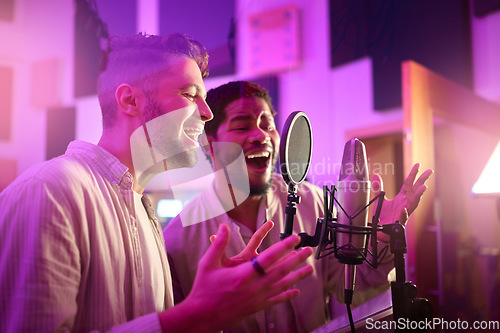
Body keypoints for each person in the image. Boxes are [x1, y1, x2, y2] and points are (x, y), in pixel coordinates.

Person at [0, 35, 315, 333]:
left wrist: (216, 308)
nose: (206, 114)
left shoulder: (143, 211)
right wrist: (197, 314)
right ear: (130, 100)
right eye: (190, 95)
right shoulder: (49, 191)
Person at [163, 80, 434, 332]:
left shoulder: (314, 202)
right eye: (242, 126)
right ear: (211, 145)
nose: (261, 135)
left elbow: (349, 288)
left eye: (267, 124)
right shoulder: (177, 240)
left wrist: (382, 241)